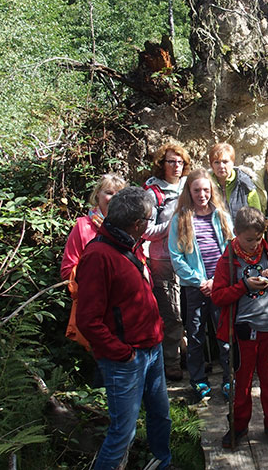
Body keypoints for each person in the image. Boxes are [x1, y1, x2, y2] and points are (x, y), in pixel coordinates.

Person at [75, 187, 172, 470]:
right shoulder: (99, 256)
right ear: (138, 224)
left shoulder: (127, 245)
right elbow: (88, 320)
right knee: (122, 433)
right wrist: (122, 353)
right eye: (148, 221)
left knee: (160, 416)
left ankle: (161, 463)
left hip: (152, 349)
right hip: (126, 358)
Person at [211, 207, 268, 448]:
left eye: (258, 238)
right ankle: (238, 426)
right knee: (243, 381)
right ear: (236, 233)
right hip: (243, 332)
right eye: (249, 239)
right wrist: (244, 286)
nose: (254, 244)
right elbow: (218, 296)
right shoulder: (228, 260)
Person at [169, 169, 234, 399]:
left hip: (220, 284)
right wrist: (200, 281)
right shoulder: (181, 218)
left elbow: (231, 250)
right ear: (189, 191)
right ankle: (197, 380)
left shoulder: (220, 215)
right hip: (195, 287)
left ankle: (229, 379)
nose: (202, 194)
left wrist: (217, 280)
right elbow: (176, 256)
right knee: (195, 334)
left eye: (206, 189)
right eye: (197, 190)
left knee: (224, 333)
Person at [142, 143, 191, 382]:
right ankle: (171, 363)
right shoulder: (153, 192)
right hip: (163, 260)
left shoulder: (189, 187)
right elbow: (146, 230)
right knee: (171, 315)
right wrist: (171, 223)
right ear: (162, 164)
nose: (176, 166)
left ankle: (190, 358)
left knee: (192, 313)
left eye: (180, 162)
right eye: (171, 162)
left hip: (190, 258)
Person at [61, 173, 127, 349]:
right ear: (97, 194)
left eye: (118, 195)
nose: (113, 198)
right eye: (109, 192)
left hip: (124, 306)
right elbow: (68, 268)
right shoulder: (83, 226)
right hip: (95, 306)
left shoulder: (127, 226)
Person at [208, 142, 261, 216]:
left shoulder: (245, 183)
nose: (221, 166)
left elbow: (256, 215)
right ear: (211, 165)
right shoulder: (205, 184)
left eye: (225, 162)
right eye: (217, 162)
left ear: (233, 163)